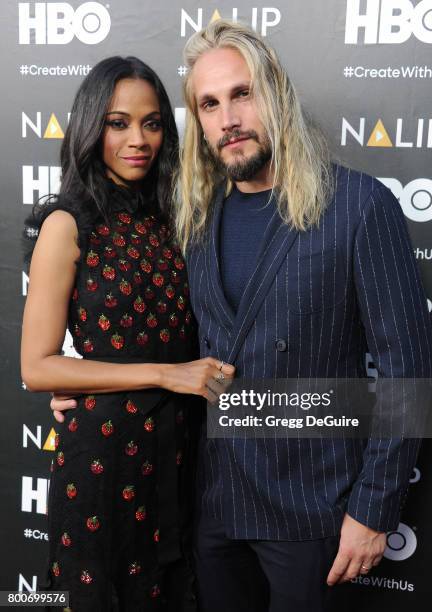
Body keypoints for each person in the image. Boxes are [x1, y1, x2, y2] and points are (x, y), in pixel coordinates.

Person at [51, 21, 432, 612]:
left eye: (242, 93)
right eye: (208, 103)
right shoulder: (194, 223)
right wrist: (81, 383)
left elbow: (408, 367)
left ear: (277, 93)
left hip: (315, 513)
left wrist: (375, 508)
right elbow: (160, 336)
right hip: (213, 508)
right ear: (198, 122)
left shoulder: (358, 205)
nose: (227, 117)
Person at [21, 55, 234, 612]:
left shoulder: (178, 218)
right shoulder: (66, 224)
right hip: (102, 463)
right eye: (118, 123)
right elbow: (37, 366)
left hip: (181, 454)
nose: (137, 139)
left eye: (152, 122)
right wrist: (166, 374)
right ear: (93, 126)